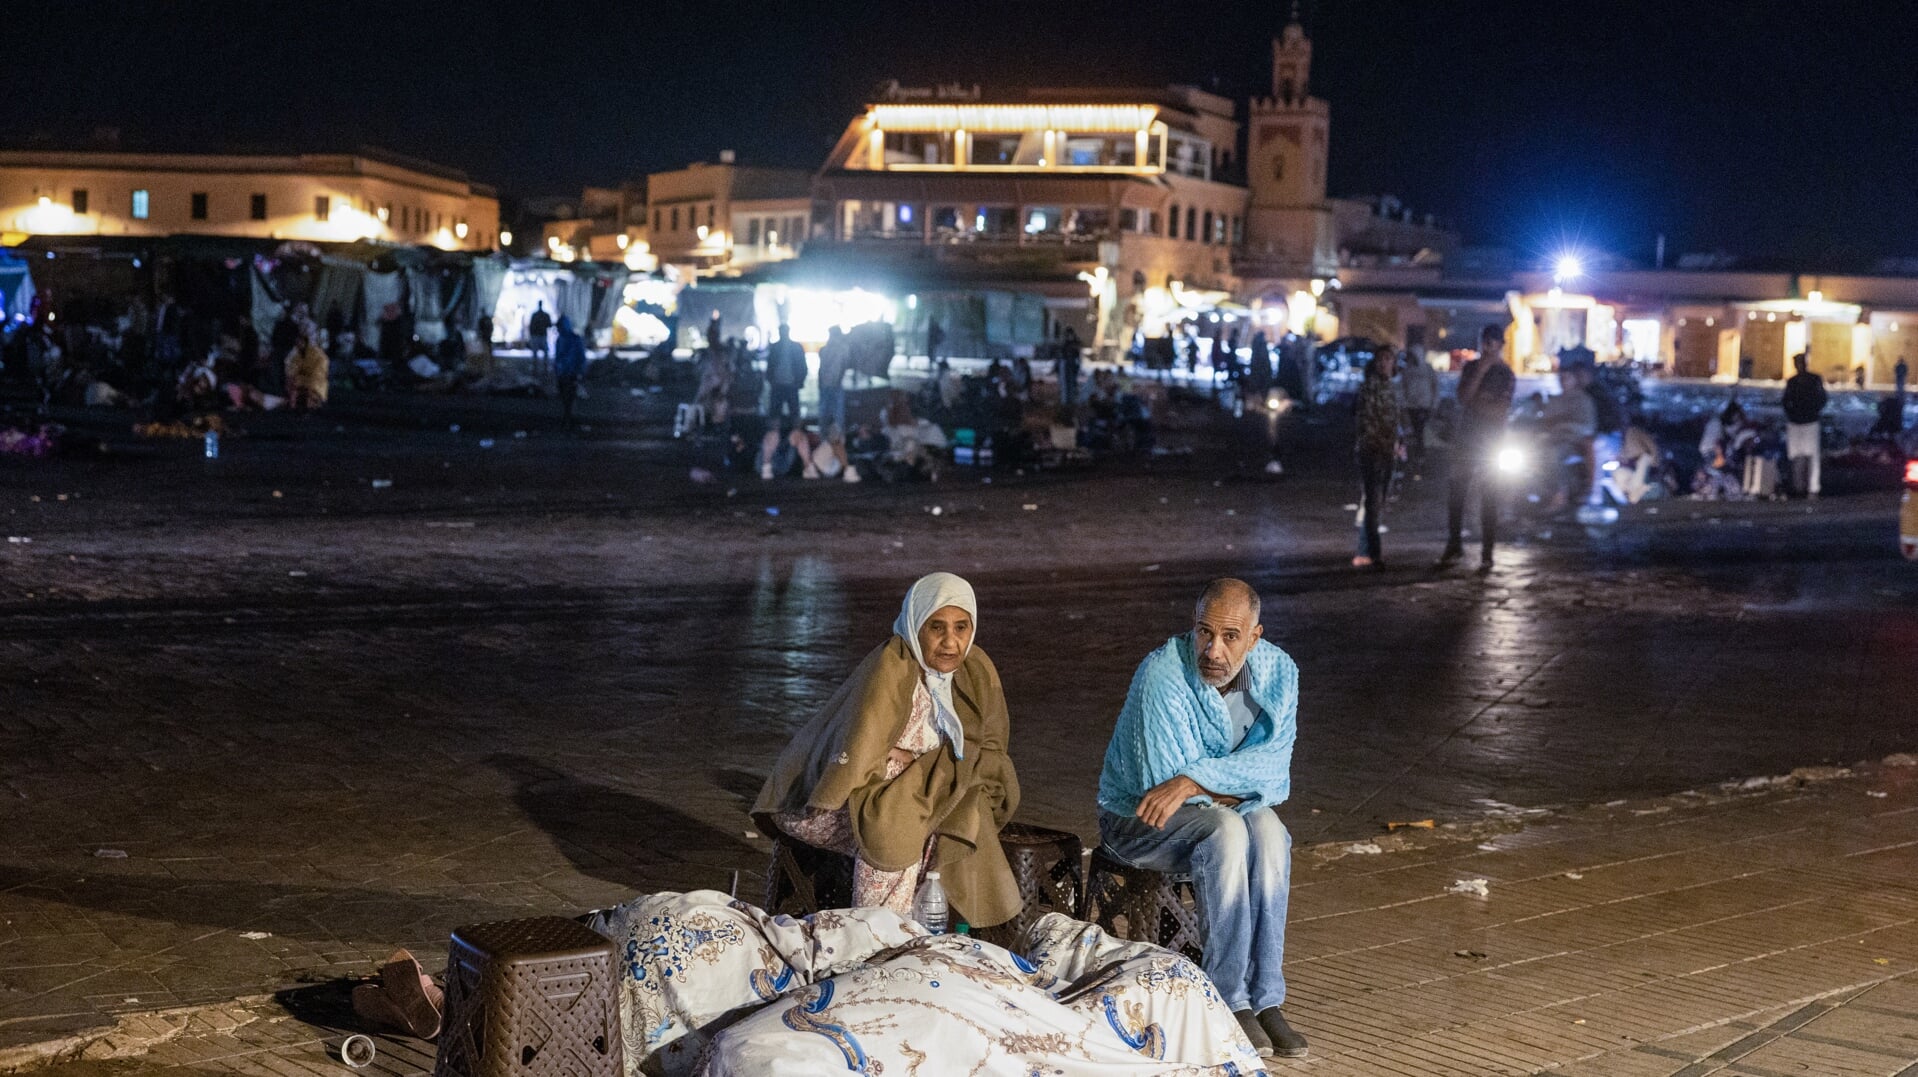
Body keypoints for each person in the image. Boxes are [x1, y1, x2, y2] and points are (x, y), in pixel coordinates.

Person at [1096, 578, 1307, 1060]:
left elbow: (1274, 773)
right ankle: (1229, 999)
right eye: (1203, 632)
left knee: (1271, 831)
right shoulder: (1162, 675)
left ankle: (1267, 996)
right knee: (1229, 828)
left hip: (1202, 810)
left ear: (1254, 637)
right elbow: (1160, 787)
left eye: (1231, 636)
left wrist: (1194, 780)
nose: (1213, 650)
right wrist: (1216, 784)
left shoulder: (1279, 674)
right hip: (1134, 821)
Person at [753, 572, 1022, 928]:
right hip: (825, 803)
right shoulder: (893, 666)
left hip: (913, 795)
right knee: (900, 815)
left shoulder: (976, 671)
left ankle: (935, 931)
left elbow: (990, 752)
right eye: (936, 627)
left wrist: (922, 765)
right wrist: (927, 768)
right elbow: (862, 753)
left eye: (961, 627)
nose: (950, 642)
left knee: (952, 805)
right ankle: (879, 936)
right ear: (915, 626)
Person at [1437, 325, 1517, 572]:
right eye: (1489, 343)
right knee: (1457, 492)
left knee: (1490, 496)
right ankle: (1454, 544)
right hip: (1468, 437)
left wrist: (1479, 401)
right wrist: (1480, 374)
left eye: (1496, 344)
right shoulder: (1472, 368)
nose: (1492, 348)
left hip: (1492, 440)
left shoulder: (1506, 373)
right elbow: (1464, 398)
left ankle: (1487, 552)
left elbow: (1500, 408)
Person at [1353, 349, 1401, 568]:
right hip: (1372, 450)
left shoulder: (1392, 388)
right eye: (1380, 360)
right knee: (1373, 501)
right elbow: (1367, 420)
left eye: (1388, 360)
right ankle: (1374, 552)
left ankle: (1366, 549)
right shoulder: (1369, 387)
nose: (1384, 364)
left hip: (1387, 450)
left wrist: (1398, 443)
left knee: (1377, 501)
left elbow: (1395, 420)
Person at [1781, 352, 1827, 499]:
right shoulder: (1793, 381)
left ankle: (1811, 487)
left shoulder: (1813, 380)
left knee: (1810, 456)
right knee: (1796, 455)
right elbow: (1786, 400)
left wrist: (1812, 410)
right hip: (1799, 421)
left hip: (1808, 421)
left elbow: (1822, 398)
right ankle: (1799, 486)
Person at [1397, 346, 1439, 473]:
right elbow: (1402, 388)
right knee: (1410, 434)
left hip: (1424, 407)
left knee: (1421, 434)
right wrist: (1403, 405)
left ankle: (1421, 460)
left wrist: (1434, 404)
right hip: (1411, 407)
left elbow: (1435, 387)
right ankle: (1410, 459)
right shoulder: (1407, 371)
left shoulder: (1428, 370)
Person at [764, 323, 807, 439]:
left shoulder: (794, 347)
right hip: (779, 385)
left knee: (793, 413)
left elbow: (802, 366)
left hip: (790, 385)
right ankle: (775, 438)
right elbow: (770, 366)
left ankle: (796, 438)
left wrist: (800, 381)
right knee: (776, 413)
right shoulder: (777, 347)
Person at [283, 321, 330, 411]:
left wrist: (300, 380)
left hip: (314, 388)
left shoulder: (321, 357)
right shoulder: (295, 356)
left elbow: (317, 378)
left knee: (310, 395)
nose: (298, 343)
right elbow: (290, 372)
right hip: (298, 386)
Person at [552, 315, 586, 429]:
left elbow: (580, 357)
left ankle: (568, 419)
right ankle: (568, 419)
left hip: (570, 374)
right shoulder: (563, 339)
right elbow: (558, 357)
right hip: (565, 374)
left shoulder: (572, 339)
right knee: (566, 398)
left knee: (568, 398)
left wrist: (579, 371)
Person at [816, 325, 851, 434]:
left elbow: (822, 368)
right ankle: (837, 440)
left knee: (825, 413)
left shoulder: (825, 349)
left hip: (827, 384)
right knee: (837, 414)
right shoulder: (843, 348)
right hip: (834, 385)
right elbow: (844, 366)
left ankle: (825, 438)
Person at [1059, 326, 1083, 408]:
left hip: (1073, 365)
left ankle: (1071, 400)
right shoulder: (1066, 343)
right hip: (1067, 365)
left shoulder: (1075, 343)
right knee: (1066, 384)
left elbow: (1078, 353)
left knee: (1072, 383)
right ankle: (1066, 401)